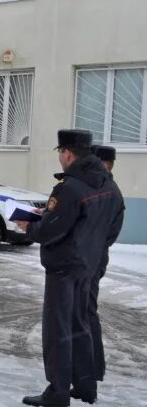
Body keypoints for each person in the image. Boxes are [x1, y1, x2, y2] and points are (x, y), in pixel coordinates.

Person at [17, 130, 124, 407]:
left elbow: (51, 231)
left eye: (60, 153)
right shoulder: (109, 185)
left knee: (58, 328)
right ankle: (86, 386)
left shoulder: (70, 187)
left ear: (67, 153)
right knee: (81, 323)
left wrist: (31, 227)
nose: (60, 158)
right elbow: (111, 230)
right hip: (89, 266)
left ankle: (58, 390)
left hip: (64, 266)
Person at [88, 145, 125, 385]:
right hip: (95, 257)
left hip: (90, 259)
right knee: (86, 312)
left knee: (85, 313)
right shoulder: (111, 189)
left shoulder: (104, 190)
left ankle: (91, 368)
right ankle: (92, 367)